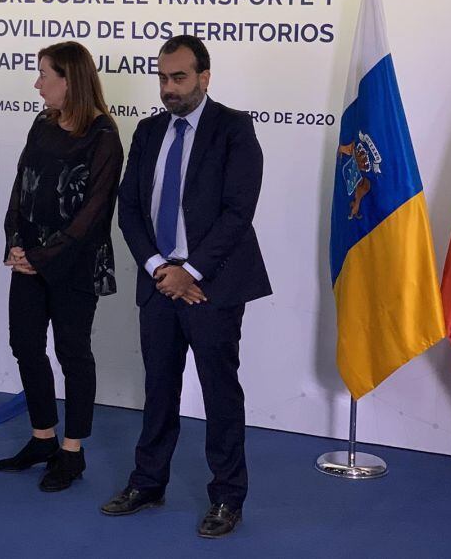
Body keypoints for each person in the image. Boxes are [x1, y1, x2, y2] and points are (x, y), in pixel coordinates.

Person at [102, 35, 271, 538]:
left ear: (204, 77)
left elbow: (238, 212)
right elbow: (129, 208)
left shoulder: (234, 129)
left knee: (220, 392)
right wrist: (160, 268)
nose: (169, 88)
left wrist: (189, 271)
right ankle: (148, 482)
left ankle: (227, 497)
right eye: (162, 78)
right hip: (159, 281)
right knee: (158, 387)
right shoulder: (149, 130)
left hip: (211, 285)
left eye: (179, 78)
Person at [0, 42, 123, 492]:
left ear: (70, 80)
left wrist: (42, 257)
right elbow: (20, 185)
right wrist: (15, 242)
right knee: (24, 344)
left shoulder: (104, 135)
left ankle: (73, 451)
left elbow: (94, 214)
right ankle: (43, 437)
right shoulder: (42, 123)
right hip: (28, 258)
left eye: (44, 75)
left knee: (72, 353)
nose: (37, 84)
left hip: (73, 264)